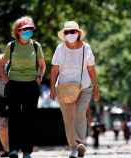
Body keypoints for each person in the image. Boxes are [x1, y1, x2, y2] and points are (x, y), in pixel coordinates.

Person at [50, 21, 100, 158]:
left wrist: (96, 87)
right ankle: (73, 147)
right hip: (64, 88)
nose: (70, 34)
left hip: (84, 87)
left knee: (80, 114)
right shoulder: (60, 49)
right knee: (68, 119)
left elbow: (91, 68)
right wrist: (52, 88)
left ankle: (80, 143)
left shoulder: (86, 48)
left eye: (73, 31)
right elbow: (54, 70)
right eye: (67, 32)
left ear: (78, 33)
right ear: (64, 35)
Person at [0, 16, 46, 158]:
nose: (28, 31)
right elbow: (1, 63)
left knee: (29, 119)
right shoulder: (11, 46)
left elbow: (42, 65)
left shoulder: (36, 46)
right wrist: (5, 78)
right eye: (25, 29)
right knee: (14, 118)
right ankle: (13, 150)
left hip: (31, 85)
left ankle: (27, 151)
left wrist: (39, 77)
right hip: (14, 85)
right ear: (18, 31)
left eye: (30, 29)